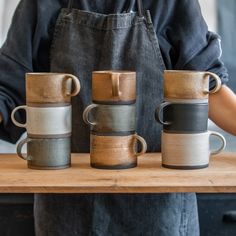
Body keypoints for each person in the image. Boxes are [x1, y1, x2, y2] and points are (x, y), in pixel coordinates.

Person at [0, 0, 236, 235]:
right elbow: (8, 91)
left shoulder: (171, 3)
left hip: (158, 210)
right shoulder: (40, 4)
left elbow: (207, 86)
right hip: (67, 210)